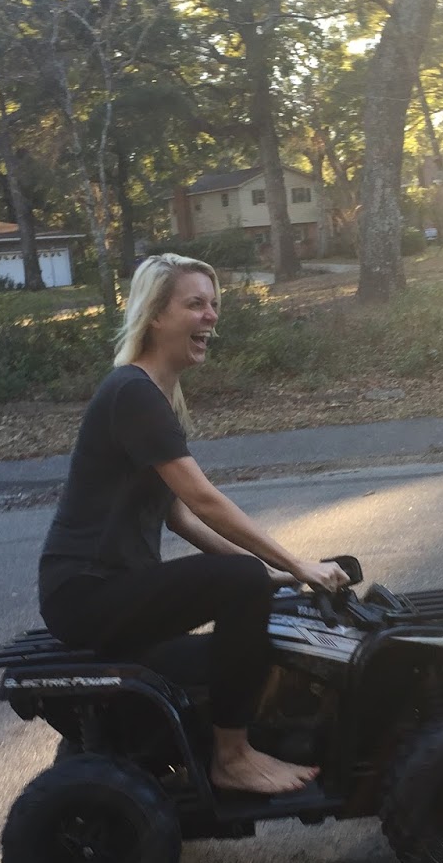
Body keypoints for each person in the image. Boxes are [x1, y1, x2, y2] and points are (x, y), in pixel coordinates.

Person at [38, 253, 350, 795]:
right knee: (243, 581)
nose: (211, 316)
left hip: (107, 588)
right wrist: (294, 564)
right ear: (157, 315)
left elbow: (177, 515)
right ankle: (232, 757)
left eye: (213, 304)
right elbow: (202, 500)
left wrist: (271, 574)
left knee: (249, 592)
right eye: (195, 304)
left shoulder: (156, 395)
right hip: (86, 591)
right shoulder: (133, 393)